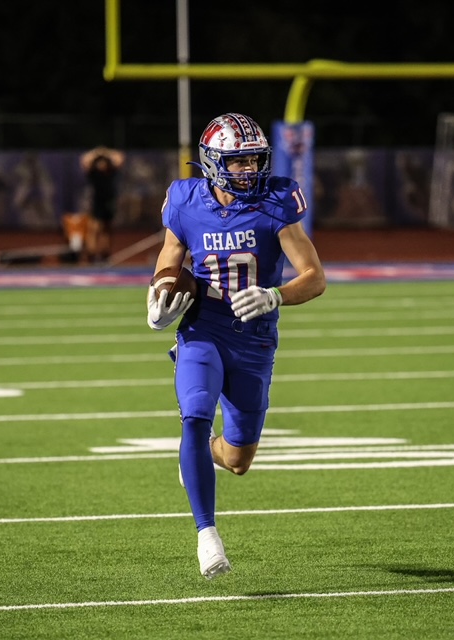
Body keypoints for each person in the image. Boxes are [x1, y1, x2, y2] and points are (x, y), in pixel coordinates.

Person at [146, 113, 326, 579]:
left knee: (238, 460)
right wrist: (161, 289)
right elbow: (171, 252)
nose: (248, 169)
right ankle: (207, 536)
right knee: (196, 410)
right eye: (237, 161)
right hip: (205, 325)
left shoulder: (275, 203)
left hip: (256, 337)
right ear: (211, 162)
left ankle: (199, 452)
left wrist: (275, 295)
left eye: (253, 160)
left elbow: (315, 277)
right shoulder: (186, 200)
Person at [80, 145, 125, 263]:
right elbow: (85, 160)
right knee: (95, 228)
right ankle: (91, 254)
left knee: (107, 229)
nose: (102, 165)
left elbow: (120, 158)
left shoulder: (111, 172)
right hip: (97, 202)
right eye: (100, 162)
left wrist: (106, 152)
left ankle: (105, 254)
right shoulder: (94, 173)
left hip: (109, 202)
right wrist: (97, 152)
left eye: (104, 162)